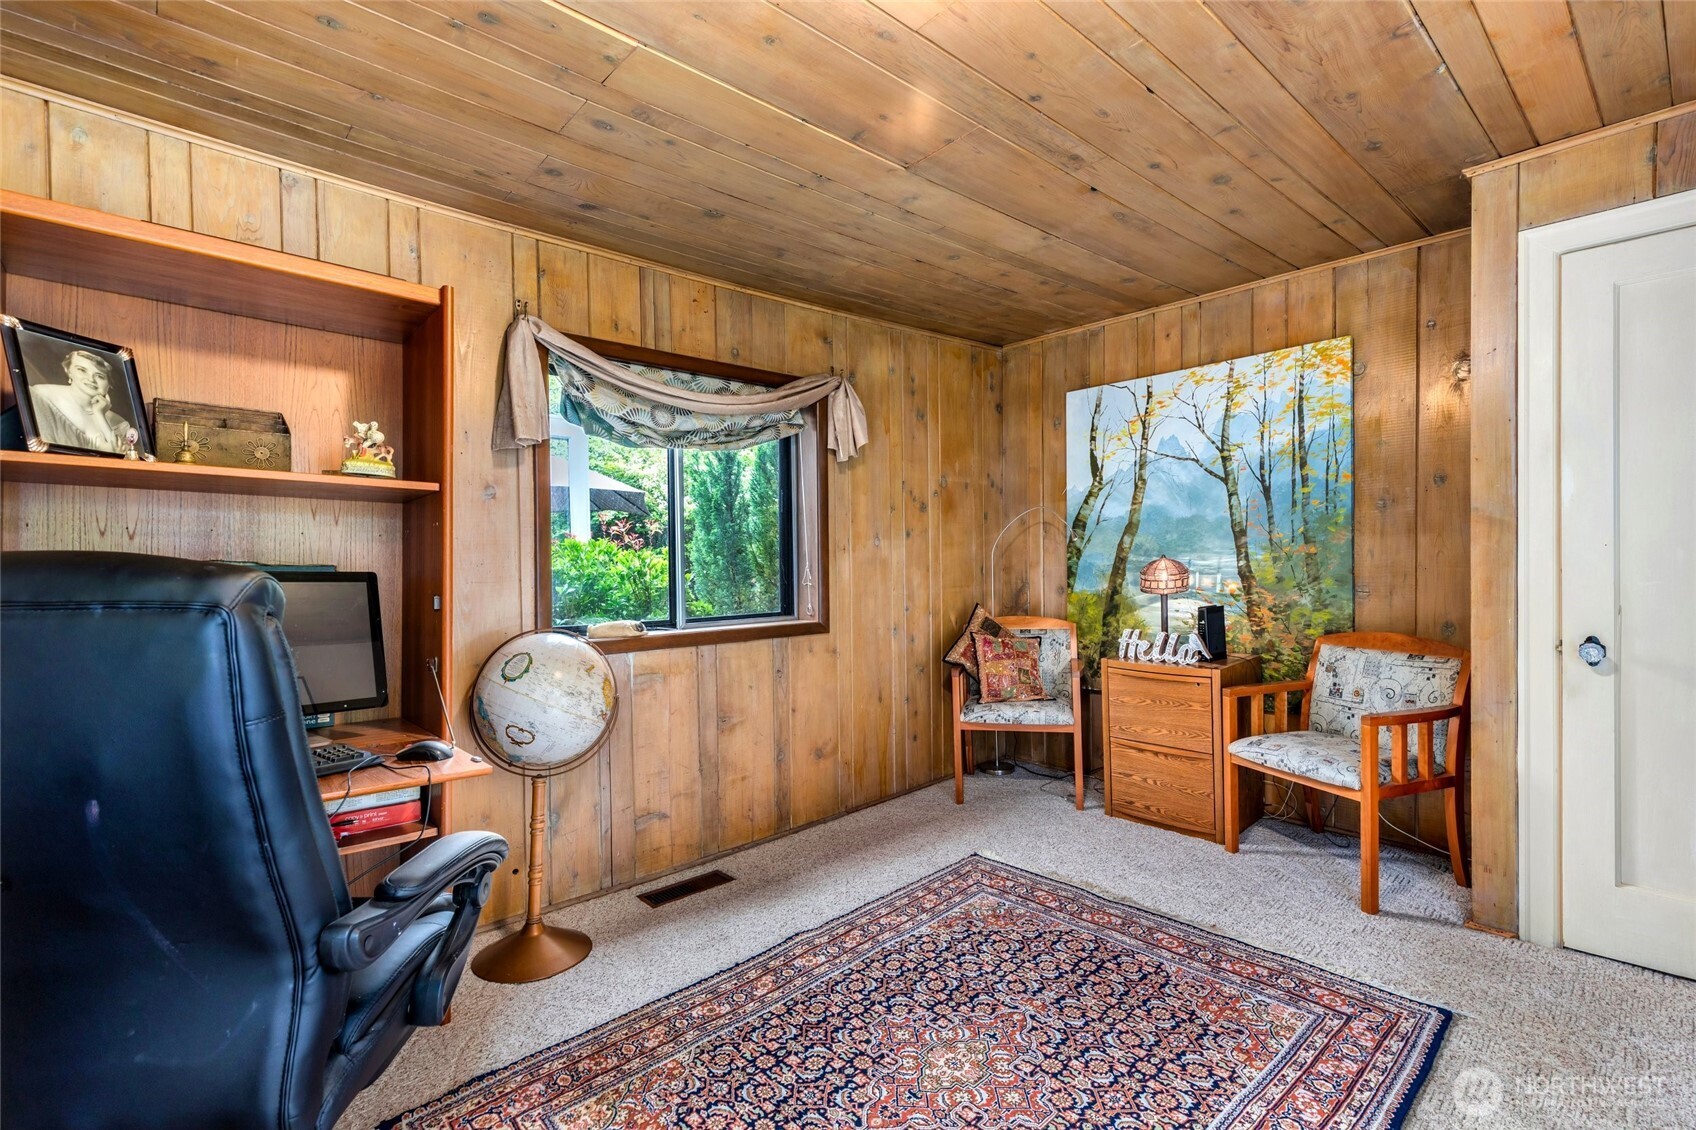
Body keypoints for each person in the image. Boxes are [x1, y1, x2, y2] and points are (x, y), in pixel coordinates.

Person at [29, 349, 132, 454]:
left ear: (110, 383)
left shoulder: (119, 423)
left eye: (100, 376)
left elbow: (118, 456)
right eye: (82, 370)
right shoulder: (42, 395)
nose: (91, 379)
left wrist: (99, 414)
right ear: (68, 371)